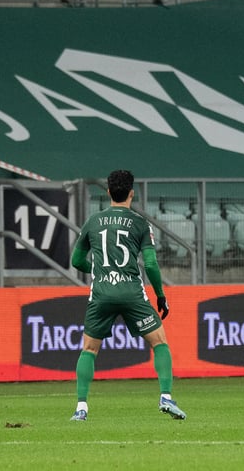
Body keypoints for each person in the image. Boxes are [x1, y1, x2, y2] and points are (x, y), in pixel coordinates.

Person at [69, 169, 186, 421]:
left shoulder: (92, 221)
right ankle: (165, 397)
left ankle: (81, 408)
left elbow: (76, 260)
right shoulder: (140, 223)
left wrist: (98, 270)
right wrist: (161, 295)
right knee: (160, 343)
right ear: (132, 193)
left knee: (89, 349)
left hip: (101, 293)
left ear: (109, 192)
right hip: (132, 292)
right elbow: (152, 265)